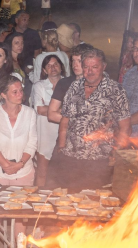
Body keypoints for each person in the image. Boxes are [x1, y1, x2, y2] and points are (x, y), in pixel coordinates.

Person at [51, 48, 130, 190]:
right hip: (70, 157)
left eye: (95, 67)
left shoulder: (115, 90)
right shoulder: (74, 87)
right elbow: (65, 120)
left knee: (93, 199)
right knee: (66, 197)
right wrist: (61, 147)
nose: (90, 71)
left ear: (103, 66)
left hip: (99, 160)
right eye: (86, 67)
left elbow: (125, 126)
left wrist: (116, 152)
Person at [0, 76, 38, 248]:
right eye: (15, 91)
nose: (20, 94)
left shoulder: (29, 113)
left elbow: (32, 142)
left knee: (20, 212)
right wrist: (5, 164)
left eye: (21, 90)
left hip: (23, 171)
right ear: (3, 95)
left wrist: (20, 164)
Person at [31, 54, 64, 188]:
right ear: (44, 70)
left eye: (55, 64)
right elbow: (40, 109)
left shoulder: (70, 84)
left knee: (61, 174)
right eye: (49, 66)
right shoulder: (39, 86)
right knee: (42, 172)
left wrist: (50, 109)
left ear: (61, 67)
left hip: (64, 133)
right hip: (45, 133)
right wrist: (64, 110)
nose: (53, 68)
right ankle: (38, 198)